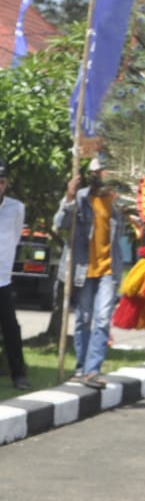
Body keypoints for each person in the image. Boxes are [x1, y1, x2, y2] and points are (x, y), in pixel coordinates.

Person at [52, 155, 132, 389]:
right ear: (92, 176)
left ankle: (92, 371)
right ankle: (81, 368)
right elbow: (60, 222)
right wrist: (68, 196)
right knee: (84, 319)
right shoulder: (80, 197)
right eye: (100, 173)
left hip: (108, 269)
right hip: (83, 268)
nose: (104, 177)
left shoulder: (116, 202)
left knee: (103, 318)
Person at [0, 161, 30, 391]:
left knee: (11, 328)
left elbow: (16, 237)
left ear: (6, 183)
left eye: (1, 182)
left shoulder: (16, 208)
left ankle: (19, 375)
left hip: (3, 280)